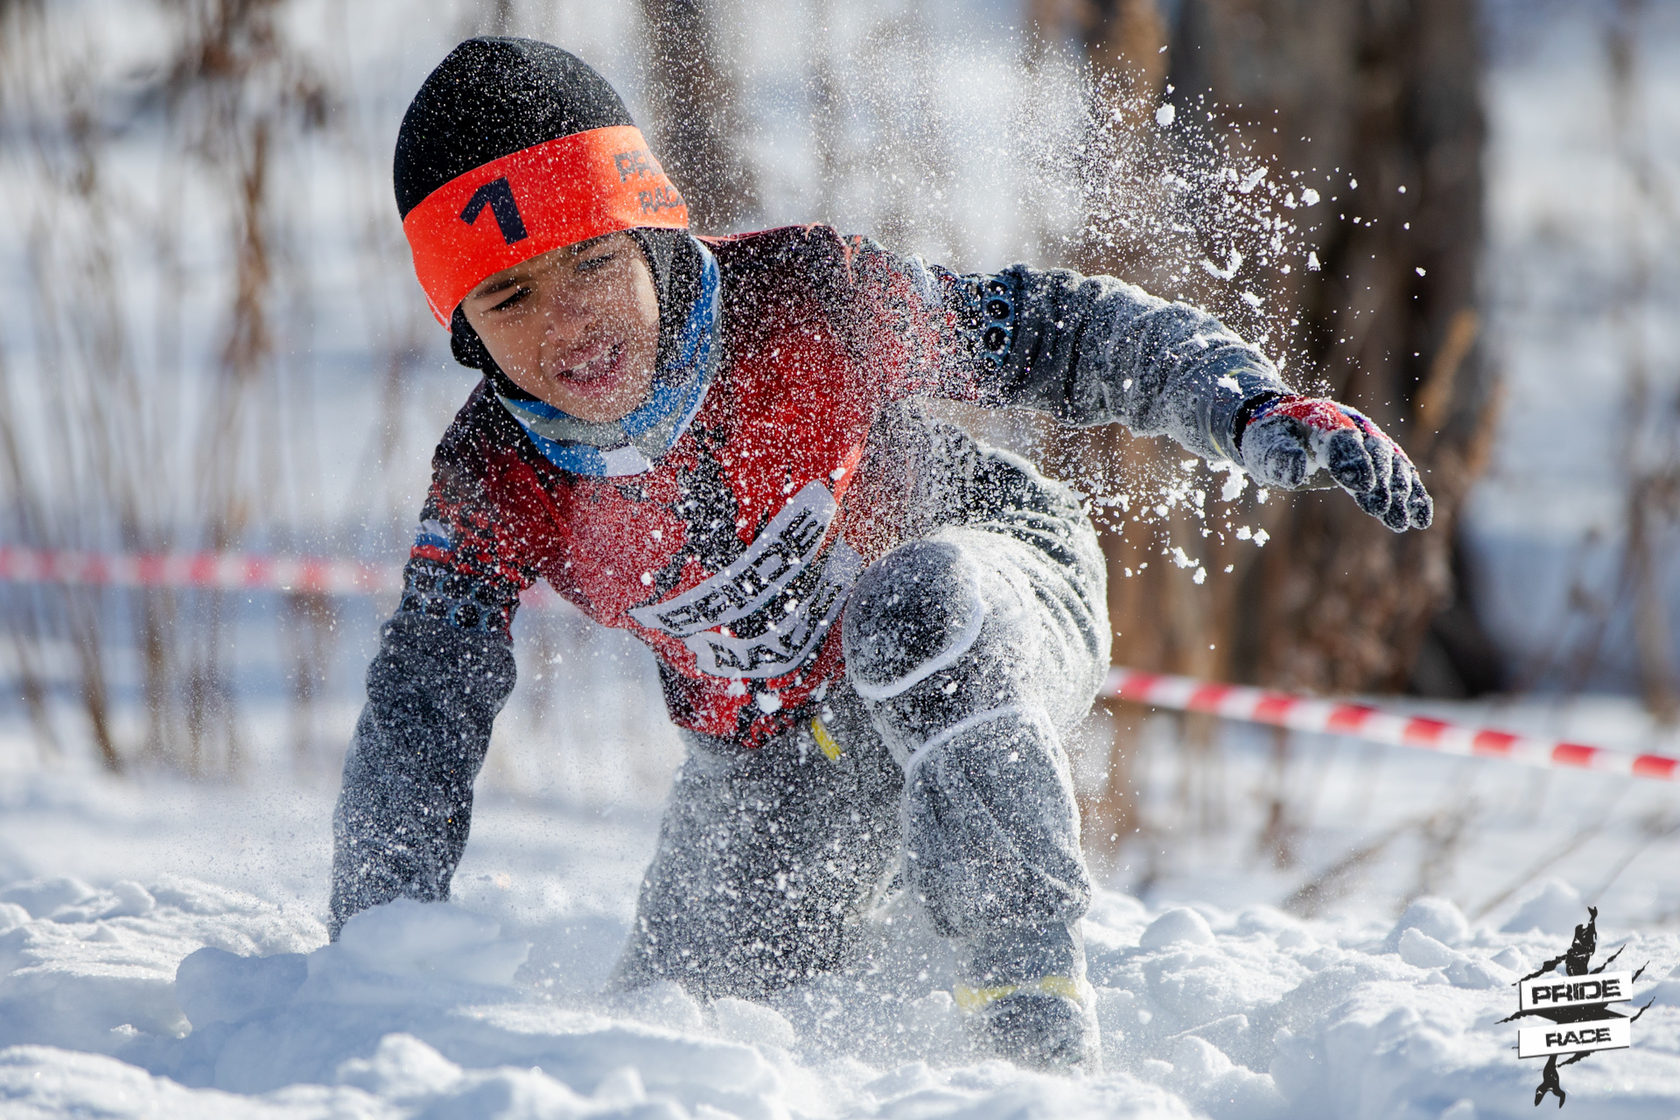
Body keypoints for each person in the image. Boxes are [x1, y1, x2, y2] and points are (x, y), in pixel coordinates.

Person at [328, 36, 1433, 1072]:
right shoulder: (492, 475)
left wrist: (1247, 407)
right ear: (466, 325)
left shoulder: (806, 301)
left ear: (654, 233)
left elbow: (1062, 331)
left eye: (589, 265)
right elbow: (426, 696)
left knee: (911, 613)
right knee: (663, 1039)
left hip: (991, 590)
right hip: (775, 749)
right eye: (510, 296)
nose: (566, 323)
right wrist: (363, 963)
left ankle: (1031, 1035)